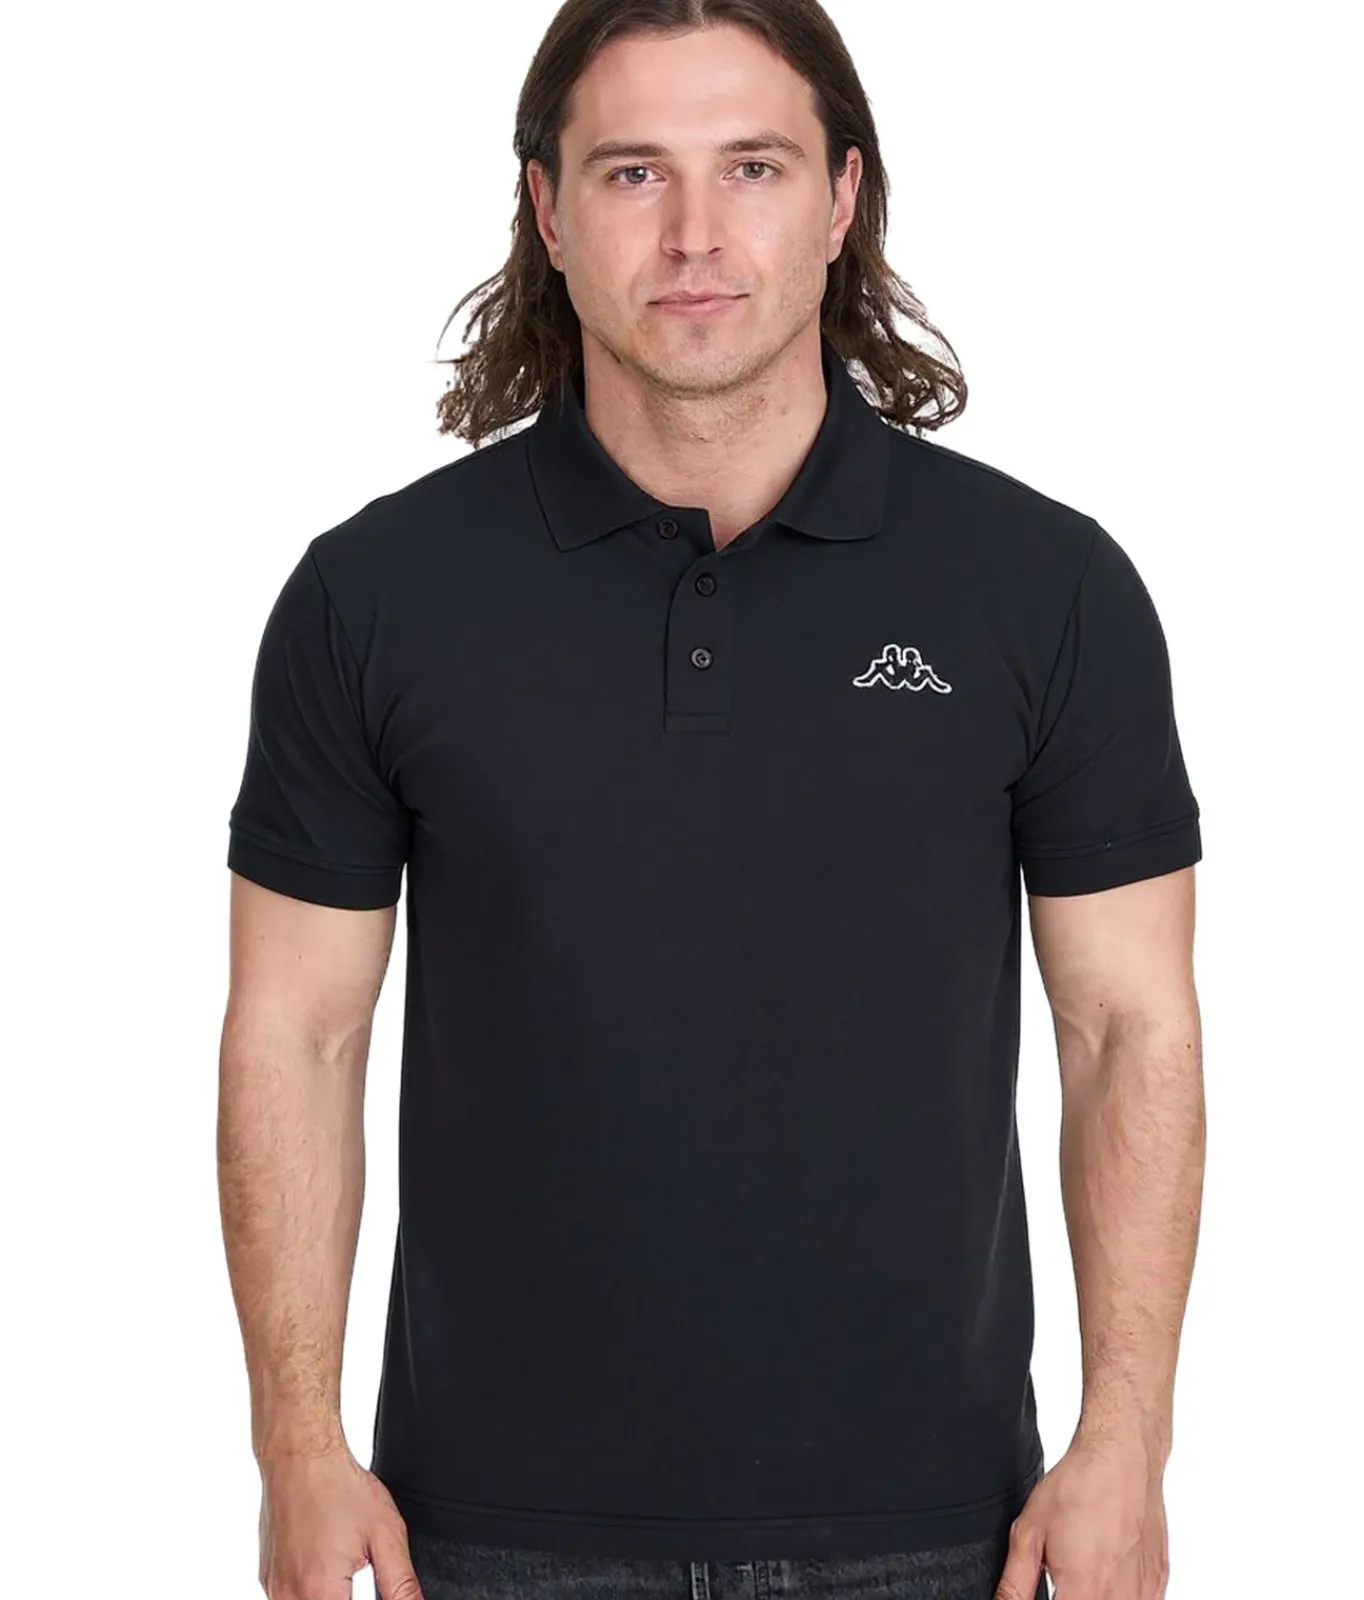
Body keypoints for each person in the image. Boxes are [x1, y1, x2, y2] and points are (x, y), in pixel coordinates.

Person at [218, 1, 1204, 1597]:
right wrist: (295, 1447)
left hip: (936, 1527)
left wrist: (1126, 1441)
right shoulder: (375, 596)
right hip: (483, 1532)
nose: (692, 235)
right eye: (631, 173)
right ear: (547, 210)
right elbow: (297, 1034)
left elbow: (1125, 1030)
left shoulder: (1043, 588)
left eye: (751, 166)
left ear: (840, 198)